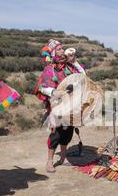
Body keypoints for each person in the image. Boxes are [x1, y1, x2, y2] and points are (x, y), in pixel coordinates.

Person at [35, 39, 86, 173]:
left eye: (62, 48)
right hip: (56, 106)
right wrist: (57, 92)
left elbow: (83, 75)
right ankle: (50, 161)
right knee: (55, 134)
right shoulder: (49, 69)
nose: (62, 51)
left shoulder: (69, 67)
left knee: (67, 133)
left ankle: (63, 158)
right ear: (52, 53)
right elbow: (42, 87)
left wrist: (74, 61)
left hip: (70, 107)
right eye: (59, 49)